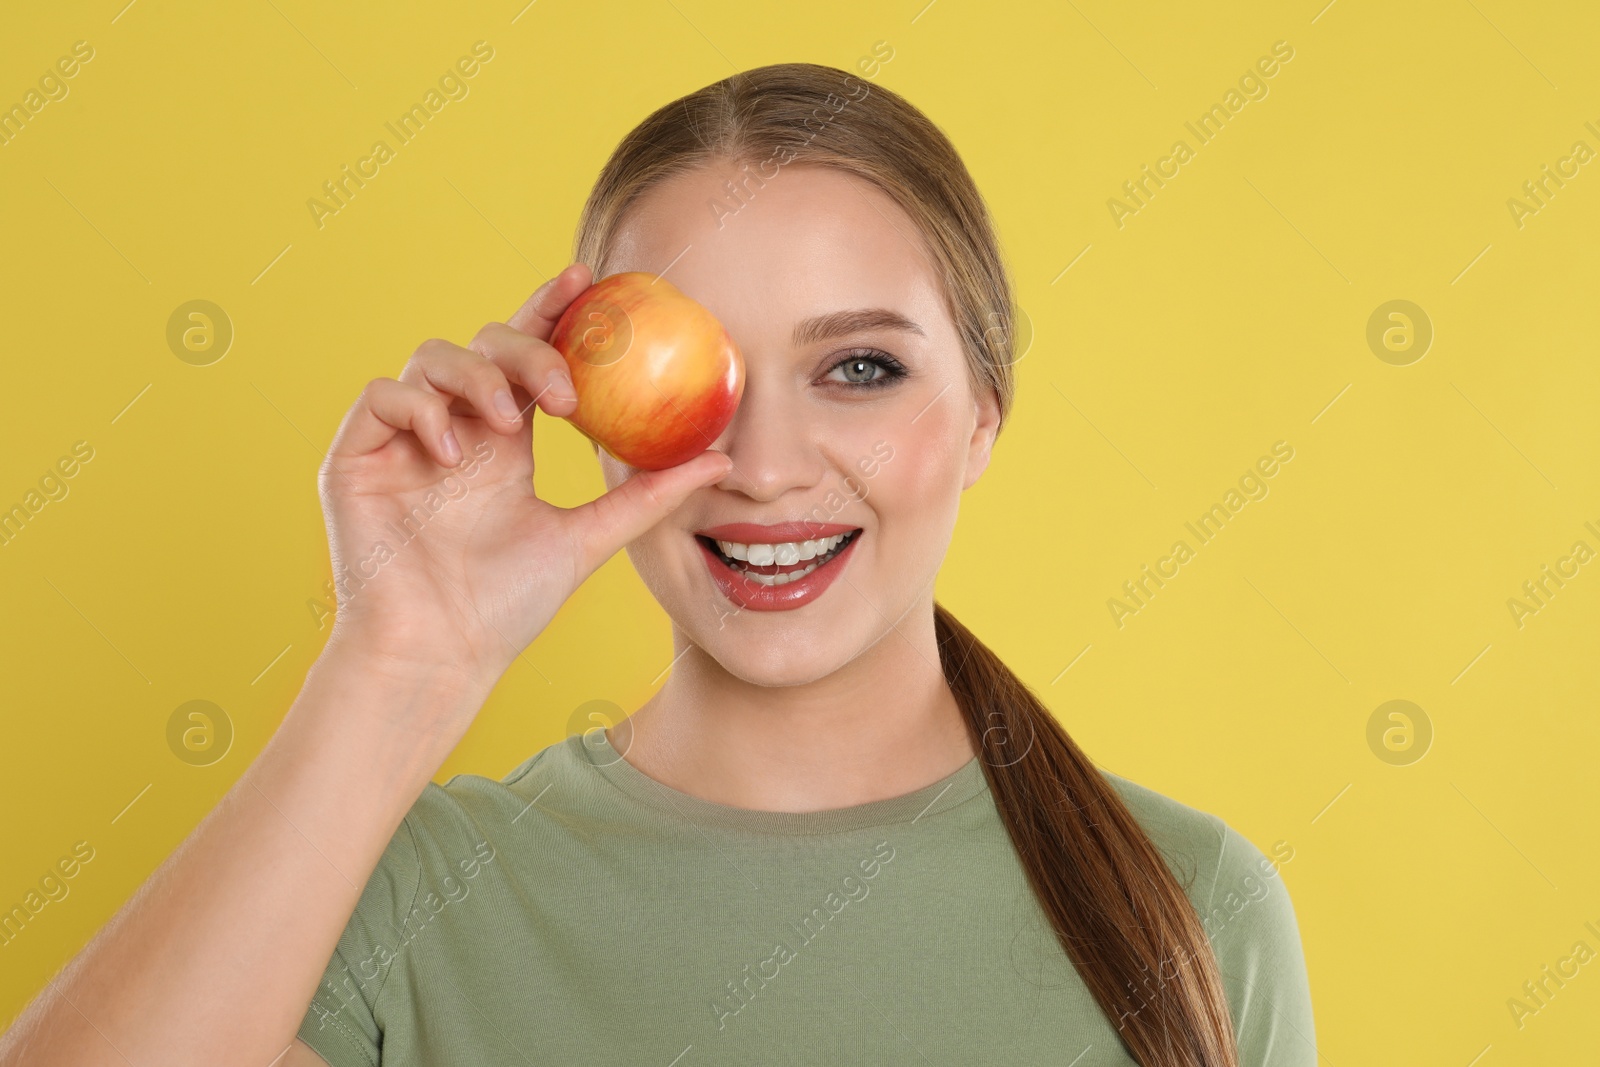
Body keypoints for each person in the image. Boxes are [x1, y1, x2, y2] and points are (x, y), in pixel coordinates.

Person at [0, 62, 1315, 1067]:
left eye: (860, 368)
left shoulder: (1194, 909)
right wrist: (398, 658)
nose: (762, 461)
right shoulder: (396, 896)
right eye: (681, 373)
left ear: (982, 415)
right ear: (574, 406)